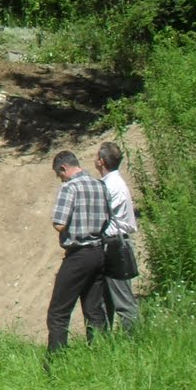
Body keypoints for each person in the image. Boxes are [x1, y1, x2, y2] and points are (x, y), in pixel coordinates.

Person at [47, 150, 110, 352]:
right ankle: (101, 355)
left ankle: (56, 362)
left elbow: (59, 223)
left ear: (64, 168)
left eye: (60, 175)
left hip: (78, 255)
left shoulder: (70, 188)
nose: (61, 179)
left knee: (58, 312)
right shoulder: (100, 186)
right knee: (94, 309)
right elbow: (108, 219)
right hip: (99, 252)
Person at [95, 141, 140, 332]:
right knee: (105, 301)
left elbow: (99, 216)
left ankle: (135, 340)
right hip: (114, 244)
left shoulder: (110, 186)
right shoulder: (114, 183)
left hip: (115, 244)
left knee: (123, 301)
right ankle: (106, 344)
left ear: (101, 162)